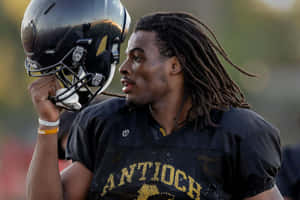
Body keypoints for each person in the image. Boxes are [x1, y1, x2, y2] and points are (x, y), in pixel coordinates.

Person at [24, 9, 283, 200]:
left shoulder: (237, 133)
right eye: (126, 58)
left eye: (137, 58)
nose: (124, 69)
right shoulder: (105, 124)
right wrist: (48, 122)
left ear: (175, 65)